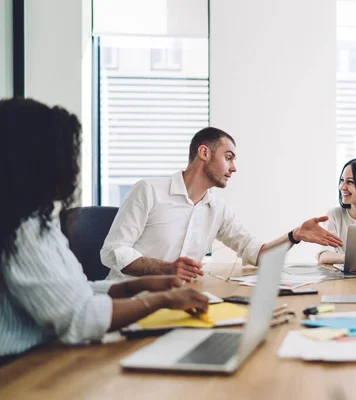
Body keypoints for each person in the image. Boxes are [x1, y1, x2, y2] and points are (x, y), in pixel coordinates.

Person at [0, 98, 209, 359]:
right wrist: (162, 301)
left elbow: (74, 291)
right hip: (20, 368)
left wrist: (138, 286)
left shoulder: (32, 221)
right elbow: (81, 317)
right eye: (65, 155)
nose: (73, 167)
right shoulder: (21, 231)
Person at [101, 127, 343, 281]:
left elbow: (257, 254)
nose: (234, 168)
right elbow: (113, 251)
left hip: (177, 299)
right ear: (204, 153)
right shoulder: (148, 191)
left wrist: (295, 235)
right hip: (129, 298)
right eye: (228, 158)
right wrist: (166, 268)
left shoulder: (218, 210)